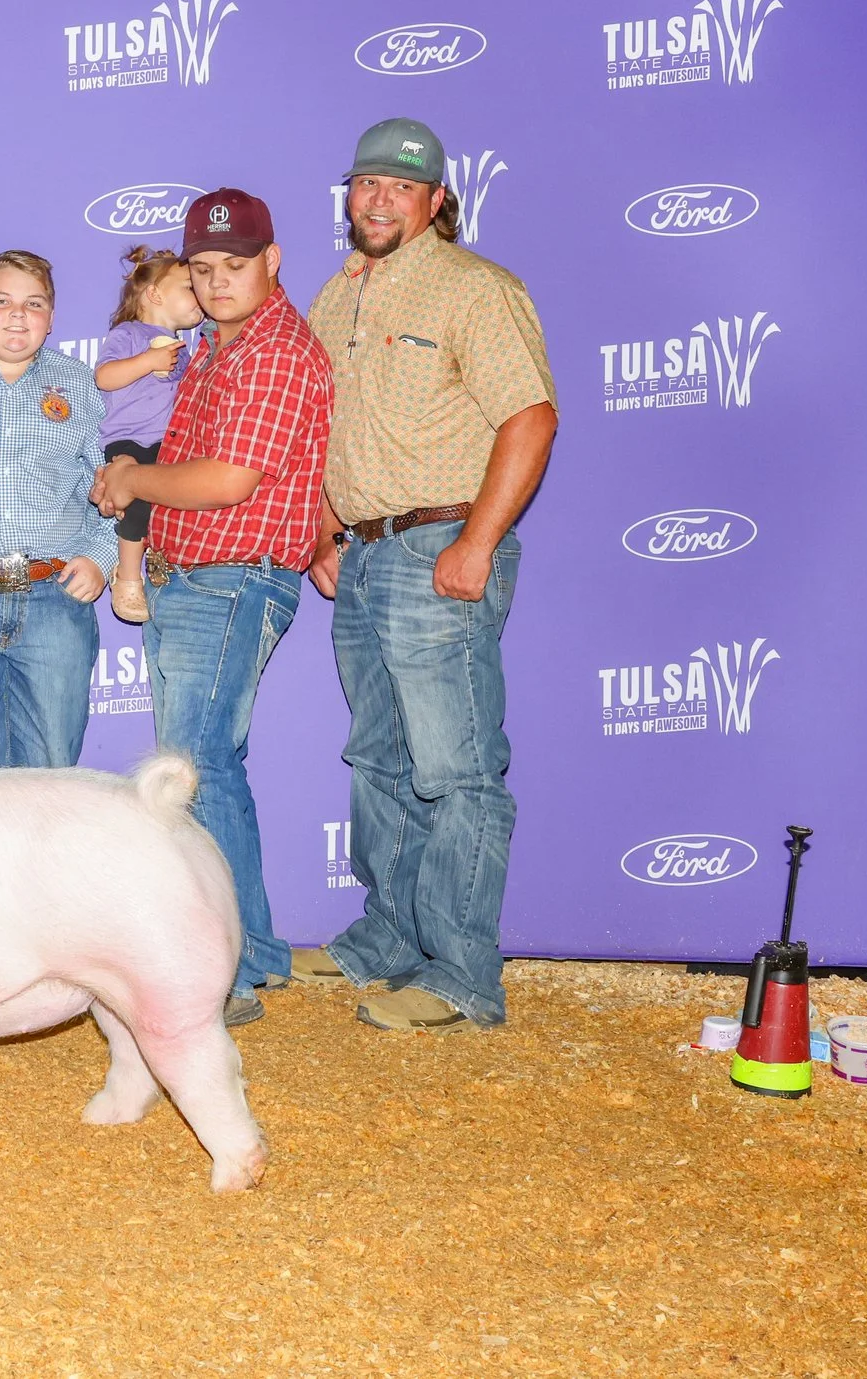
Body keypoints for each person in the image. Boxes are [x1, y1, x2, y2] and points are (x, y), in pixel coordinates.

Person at [295, 118, 558, 1033]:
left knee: (456, 768)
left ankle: (464, 972)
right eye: (365, 183)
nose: (376, 199)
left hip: (440, 544)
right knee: (379, 759)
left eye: (399, 188)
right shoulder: (336, 298)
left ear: (436, 200)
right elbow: (329, 427)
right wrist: (327, 528)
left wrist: (477, 543)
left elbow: (529, 418)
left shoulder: (476, 289)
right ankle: (388, 937)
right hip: (365, 553)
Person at [90, 189, 333, 1029]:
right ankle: (250, 953)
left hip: (233, 574)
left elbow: (230, 481)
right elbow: (183, 458)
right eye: (202, 269)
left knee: (197, 768)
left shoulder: (271, 349)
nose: (218, 281)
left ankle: (225, 966)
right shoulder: (214, 349)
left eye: (234, 265)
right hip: (193, 575)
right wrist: (129, 479)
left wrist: (131, 481)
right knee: (205, 766)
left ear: (273, 260)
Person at [0, 250, 115, 769]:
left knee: (51, 783)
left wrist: (103, 556)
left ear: (51, 319)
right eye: (1, 301)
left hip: (55, 600)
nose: (16, 315)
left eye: (33, 304)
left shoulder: (81, 383)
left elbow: (112, 480)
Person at [93, 245, 205, 623]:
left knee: (174, 502)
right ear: (155, 294)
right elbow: (105, 377)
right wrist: (148, 361)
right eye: (190, 286)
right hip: (128, 440)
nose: (200, 293)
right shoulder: (129, 334)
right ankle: (126, 577)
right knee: (138, 502)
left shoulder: (187, 350)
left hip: (169, 443)